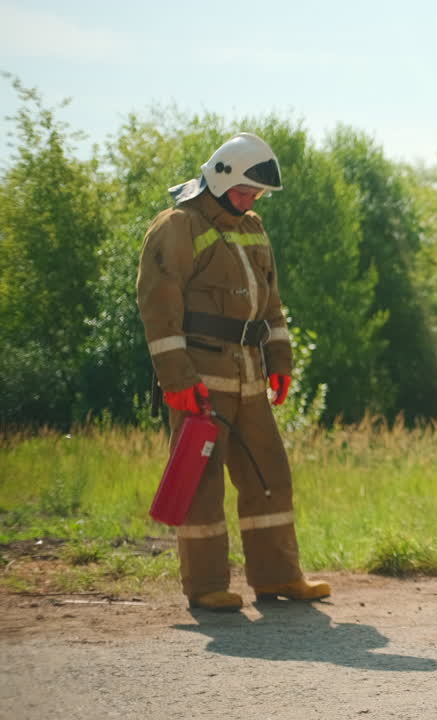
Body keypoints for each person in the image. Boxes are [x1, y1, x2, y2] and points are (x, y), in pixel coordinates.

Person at [137, 132, 330, 612]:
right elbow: (158, 307)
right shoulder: (177, 225)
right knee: (201, 483)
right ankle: (205, 586)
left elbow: (273, 305)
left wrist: (280, 362)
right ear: (219, 176)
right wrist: (176, 379)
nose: (250, 200)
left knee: (270, 475)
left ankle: (279, 577)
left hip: (250, 375)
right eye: (245, 190)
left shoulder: (252, 227)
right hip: (200, 377)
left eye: (257, 194)